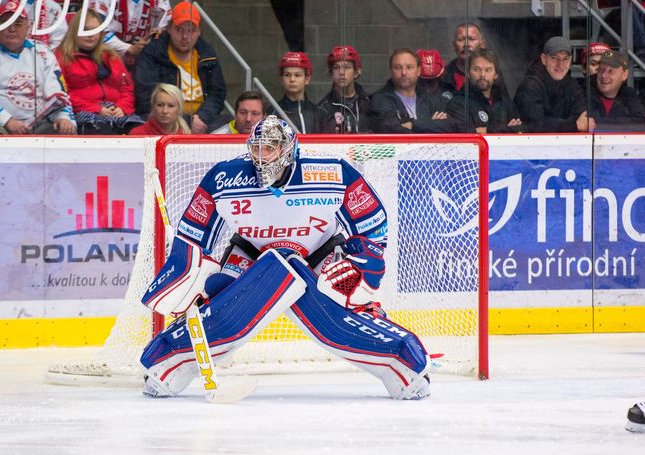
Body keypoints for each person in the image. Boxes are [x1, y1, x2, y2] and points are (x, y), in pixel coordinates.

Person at [138, 115, 432, 400]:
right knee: (222, 309)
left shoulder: (332, 172)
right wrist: (187, 272)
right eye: (257, 148)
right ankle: (167, 362)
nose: (262, 156)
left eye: (270, 148)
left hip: (319, 253)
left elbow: (373, 226)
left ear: (289, 150)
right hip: (251, 256)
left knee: (340, 314)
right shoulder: (224, 177)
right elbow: (192, 237)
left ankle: (403, 363)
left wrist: (362, 265)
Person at [0, 0, 76, 135]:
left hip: (39, 122)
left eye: (18, 24)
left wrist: (63, 117)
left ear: (27, 27)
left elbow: (58, 90)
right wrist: (7, 121)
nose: (12, 29)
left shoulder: (43, 52)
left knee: (65, 129)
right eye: (6, 23)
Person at [133, 1, 226, 134]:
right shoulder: (153, 52)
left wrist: (203, 117)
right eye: (179, 29)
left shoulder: (207, 54)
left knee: (229, 123)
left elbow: (218, 93)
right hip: (166, 119)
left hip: (202, 120)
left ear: (199, 31)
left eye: (191, 30)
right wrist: (186, 121)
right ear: (169, 29)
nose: (185, 37)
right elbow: (146, 95)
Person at [55, 9, 142, 135]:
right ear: (74, 31)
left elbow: (127, 89)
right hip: (83, 112)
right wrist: (96, 109)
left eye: (96, 30)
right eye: (86, 29)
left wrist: (122, 107)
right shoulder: (62, 57)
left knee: (140, 131)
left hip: (116, 109)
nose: (91, 35)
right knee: (102, 131)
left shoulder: (110, 55)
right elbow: (63, 95)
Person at [369, 48, 460, 133]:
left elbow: (452, 126)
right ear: (391, 71)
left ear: (419, 70)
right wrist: (431, 124)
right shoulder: (380, 100)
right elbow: (393, 131)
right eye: (397, 67)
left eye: (409, 67)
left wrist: (413, 125)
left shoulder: (431, 100)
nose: (404, 72)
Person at [514, 36, 593, 133]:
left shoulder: (572, 85)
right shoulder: (530, 86)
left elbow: (584, 119)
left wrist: (568, 125)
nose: (560, 65)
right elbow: (536, 125)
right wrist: (574, 125)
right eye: (554, 58)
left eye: (565, 59)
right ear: (543, 59)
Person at [446, 48, 524, 134]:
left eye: (488, 70)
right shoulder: (457, 104)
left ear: (496, 74)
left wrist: (486, 130)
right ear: (468, 73)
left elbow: (523, 130)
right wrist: (507, 130)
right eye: (476, 69)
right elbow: (467, 135)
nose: (482, 75)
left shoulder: (507, 104)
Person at [90, 0, 172, 66]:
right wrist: (128, 48)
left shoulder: (160, 2)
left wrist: (156, 35)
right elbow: (96, 31)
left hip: (144, 58)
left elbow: (164, 27)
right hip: (105, 56)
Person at [587, 50, 645, 132]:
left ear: (624, 75)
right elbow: (587, 124)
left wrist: (601, 124)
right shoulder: (585, 91)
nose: (604, 75)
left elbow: (641, 123)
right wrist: (632, 125)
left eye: (610, 71)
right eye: (601, 70)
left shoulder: (629, 94)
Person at [317, 45, 371, 134]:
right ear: (331, 73)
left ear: (357, 72)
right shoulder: (323, 109)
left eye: (346, 67)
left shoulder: (369, 102)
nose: (341, 72)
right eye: (336, 67)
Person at [271, 51, 325, 133]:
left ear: (307, 79)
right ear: (281, 79)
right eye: (287, 75)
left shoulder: (319, 113)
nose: (292, 79)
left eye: (297, 75)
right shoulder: (273, 113)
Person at [0, 0, 68, 49]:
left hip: (41, 59)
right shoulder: (2, 2)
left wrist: (42, 56)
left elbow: (59, 42)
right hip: (3, 55)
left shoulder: (52, 7)